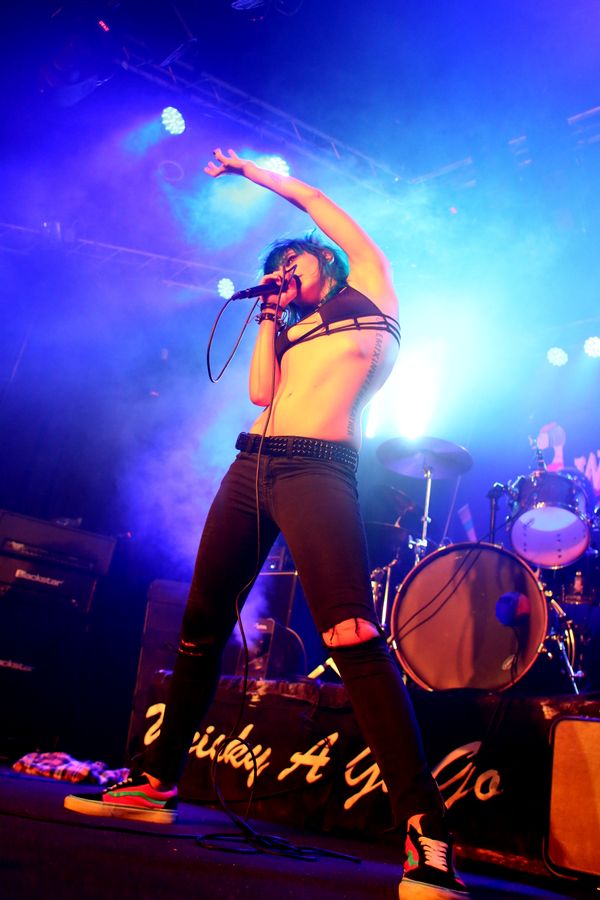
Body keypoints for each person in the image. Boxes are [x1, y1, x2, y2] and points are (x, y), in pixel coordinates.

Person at [64, 148, 467, 894]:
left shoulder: (371, 290)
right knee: (199, 624)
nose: (284, 269)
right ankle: (155, 782)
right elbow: (259, 394)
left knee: (351, 633)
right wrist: (270, 318)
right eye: (275, 264)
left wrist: (250, 173)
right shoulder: (292, 324)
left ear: (328, 263)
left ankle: (426, 829)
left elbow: (316, 203)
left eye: (294, 262)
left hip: (319, 468)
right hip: (252, 466)